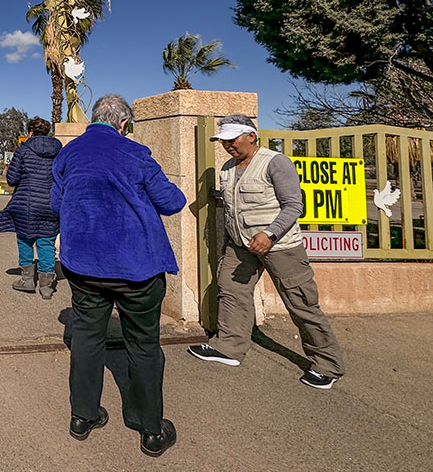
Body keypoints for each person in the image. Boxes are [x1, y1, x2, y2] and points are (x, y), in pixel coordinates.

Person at [53, 94, 185, 457]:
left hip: (83, 266)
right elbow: (172, 201)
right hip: (136, 268)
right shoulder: (136, 153)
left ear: (95, 118)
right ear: (124, 123)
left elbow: (55, 204)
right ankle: (150, 429)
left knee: (86, 341)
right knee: (143, 345)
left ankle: (82, 416)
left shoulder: (68, 154)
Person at [187, 114, 345, 389]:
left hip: (280, 246)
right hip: (241, 246)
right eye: (223, 141)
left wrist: (270, 234)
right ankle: (229, 348)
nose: (227, 145)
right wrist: (230, 242)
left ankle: (327, 365)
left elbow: (294, 206)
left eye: (232, 139)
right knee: (231, 291)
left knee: (300, 302)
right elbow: (233, 210)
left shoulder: (276, 162)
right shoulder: (226, 168)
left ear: (251, 135)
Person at [0, 116, 63, 299]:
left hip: (26, 203)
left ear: (30, 132)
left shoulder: (23, 150)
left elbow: (12, 179)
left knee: (25, 239)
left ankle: (27, 280)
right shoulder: (59, 150)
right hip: (50, 203)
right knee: (46, 241)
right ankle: (46, 286)